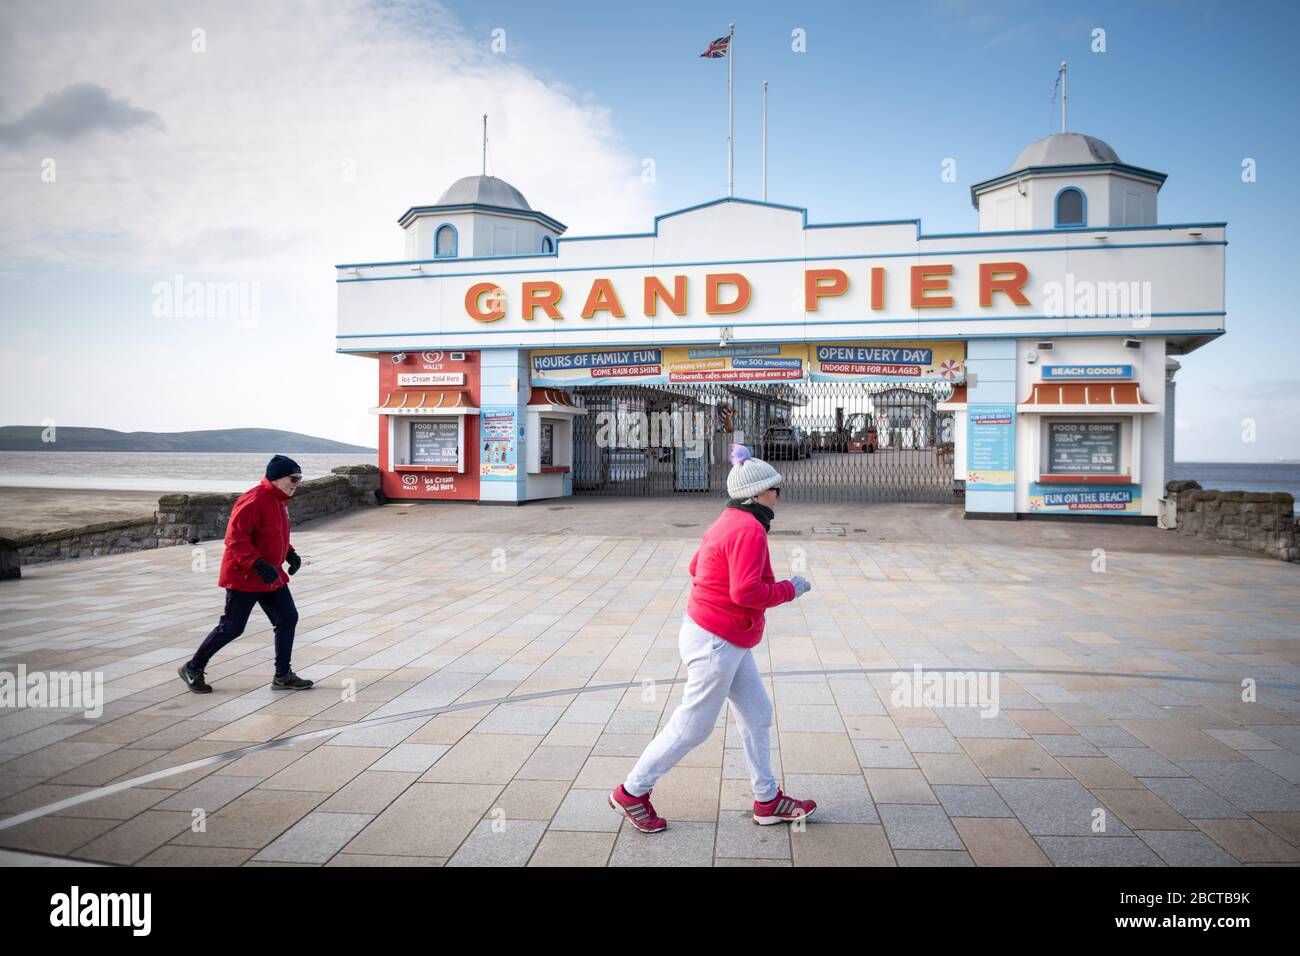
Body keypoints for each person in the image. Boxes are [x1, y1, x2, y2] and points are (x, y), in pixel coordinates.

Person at [609, 443, 815, 833]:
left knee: (757, 714)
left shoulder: (727, 519)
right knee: (694, 726)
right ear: (756, 494)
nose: (780, 494)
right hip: (717, 641)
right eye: (775, 488)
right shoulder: (749, 529)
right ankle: (631, 792)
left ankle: (767, 800)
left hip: (721, 636)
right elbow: (746, 593)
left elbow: (695, 566)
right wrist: (792, 588)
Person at [177, 455, 315, 693]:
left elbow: (275, 535)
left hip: (271, 576)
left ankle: (283, 675)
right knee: (232, 627)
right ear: (277, 478)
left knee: (287, 618)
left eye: (300, 478)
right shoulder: (254, 500)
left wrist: (290, 554)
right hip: (245, 576)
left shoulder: (279, 501)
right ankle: (193, 667)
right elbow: (234, 538)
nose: (297, 483)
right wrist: (259, 565)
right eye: (294, 478)